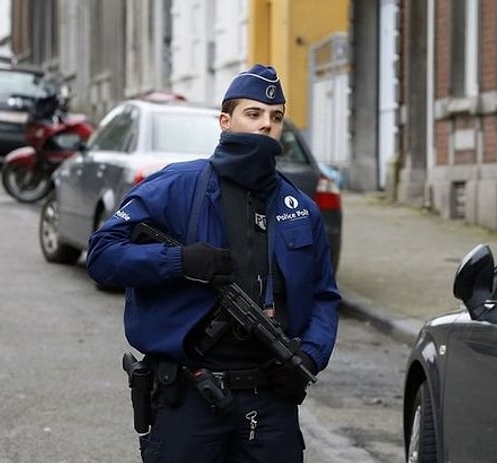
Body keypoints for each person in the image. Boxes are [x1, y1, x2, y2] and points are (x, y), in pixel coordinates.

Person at [86, 64, 340, 462]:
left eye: (275, 118)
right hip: (191, 395)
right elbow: (103, 255)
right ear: (225, 121)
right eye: (252, 114)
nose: (265, 126)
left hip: (271, 398)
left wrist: (310, 356)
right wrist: (178, 261)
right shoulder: (175, 186)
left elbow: (324, 296)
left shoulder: (300, 209)